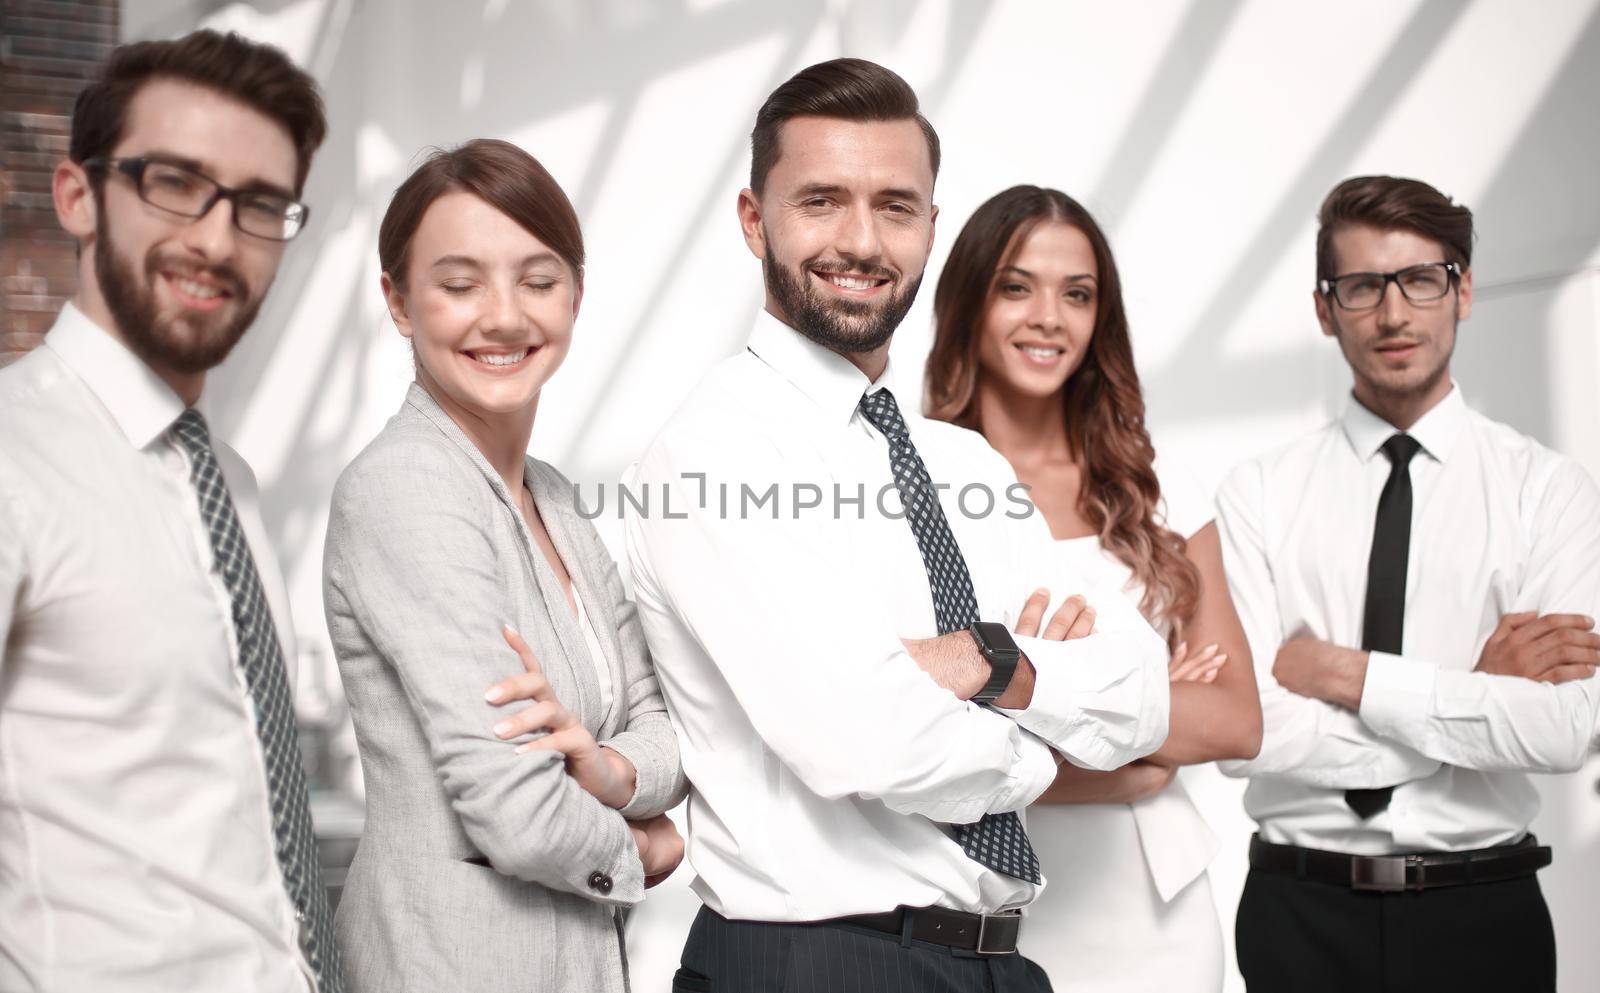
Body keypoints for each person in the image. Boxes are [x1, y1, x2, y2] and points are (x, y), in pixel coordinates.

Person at [624, 59, 1170, 992]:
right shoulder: (714, 454)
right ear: (755, 220)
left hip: (998, 963)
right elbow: (861, 738)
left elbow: (1143, 695)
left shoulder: (963, 462)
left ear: (930, 228)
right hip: (818, 966)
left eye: (897, 206)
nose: (863, 240)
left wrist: (981, 660)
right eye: (822, 201)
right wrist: (1044, 723)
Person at [0, 30, 339, 993]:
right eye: (174, 183)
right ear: (78, 196)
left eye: (260, 204)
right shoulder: (11, 461)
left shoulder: (226, 476)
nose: (216, 239)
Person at [1215, 175, 1600, 993]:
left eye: (1420, 280)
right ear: (1325, 309)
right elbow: (1249, 733)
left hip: (1483, 909)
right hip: (1299, 911)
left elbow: (1564, 729)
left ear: (1461, 292)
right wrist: (1472, 695)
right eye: (1361, 287)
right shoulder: (1258, 493)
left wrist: (1343, 673)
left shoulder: (1548, 490)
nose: (1394, 315)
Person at [322, 138, 687, 993]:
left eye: (538, 278)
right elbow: (517, 812)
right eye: (459, 284)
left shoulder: (552, 497)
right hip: (448, 966)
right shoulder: (408, 486)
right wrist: (648, 845)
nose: (505, 316)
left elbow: (665, 720)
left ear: (575, 295)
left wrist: (612, 769)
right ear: (400, 303)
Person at [924, 185, 1262, 991]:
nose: (1049, 316)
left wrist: (1020, 696)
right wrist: (1134, 739)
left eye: (1077, 293)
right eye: (1017, 286)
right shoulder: (915, 488)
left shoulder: (1161, 487)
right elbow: (914, 726)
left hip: (1158, 919)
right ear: (970, 301)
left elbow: (1236, 719)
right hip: (978, 913)